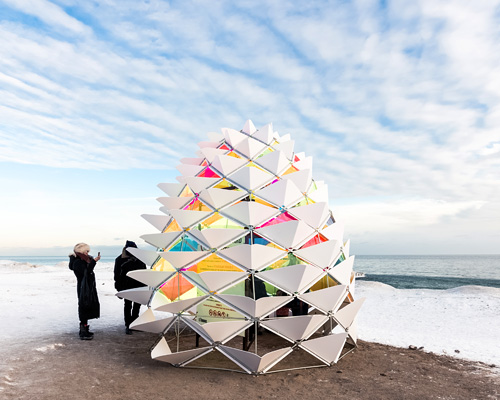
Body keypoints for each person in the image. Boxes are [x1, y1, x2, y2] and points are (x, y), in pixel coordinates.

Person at [68, 243, 101, 340]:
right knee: (83, 306)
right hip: (83, 287)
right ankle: (83, 330)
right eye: (86, 251)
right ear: (81, 251)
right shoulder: (77, 262)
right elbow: (86, 272)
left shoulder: (82, 260)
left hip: (86, 286)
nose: (87, 253)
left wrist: (92, 261)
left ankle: (85, 328)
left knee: (87, 306)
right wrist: (94, 261)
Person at [114, 240, 146, 334]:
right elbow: (116, 275)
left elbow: (144, 272)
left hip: (138, 285)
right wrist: (118, 287)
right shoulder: (120, 259)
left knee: (137, 305)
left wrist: (145, 285)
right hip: (126, 286)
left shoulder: (139, 258)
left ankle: (134, 323)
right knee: (128, 305)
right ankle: (128, 325)